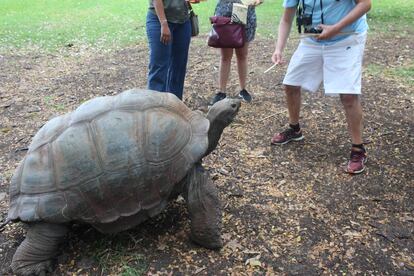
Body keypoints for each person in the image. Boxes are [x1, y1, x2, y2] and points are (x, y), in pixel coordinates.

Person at [270, 0, 372, 174]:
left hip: (347, 36)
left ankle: (358, 149)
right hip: (313, 39)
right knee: (291, 84)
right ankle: (294, 129)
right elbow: (286, 19)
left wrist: (336, 28)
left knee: (348, 95)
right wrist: (278, 48)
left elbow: (365, 4)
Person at [209, 0, 263, 106]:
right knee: (225, 57)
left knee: (242, 55)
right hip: (225, 14)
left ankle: (243, 90)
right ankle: (222, 92)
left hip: (246, 14)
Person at [146, 0, 194, 100]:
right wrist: (164, 24)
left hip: (183, 21)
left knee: (179, 67)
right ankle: (156, 108)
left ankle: (174, 105)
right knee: (159, 67)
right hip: (159, 21)